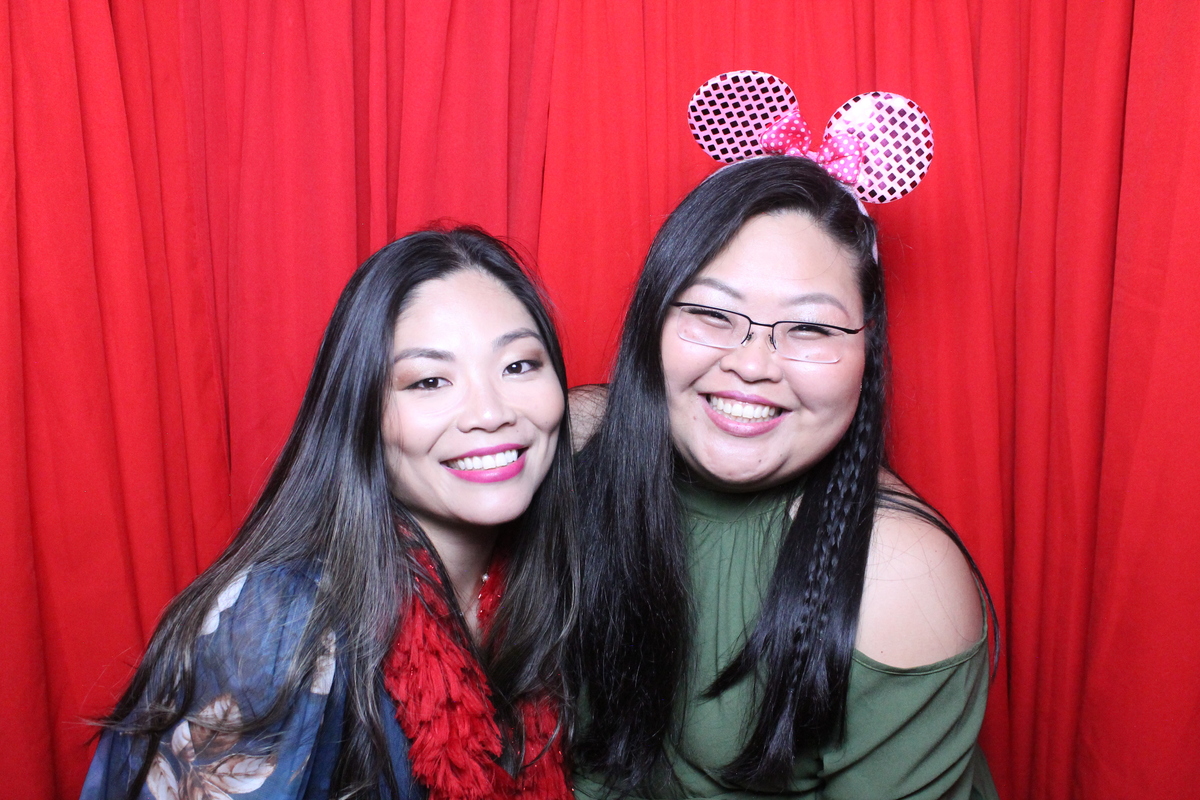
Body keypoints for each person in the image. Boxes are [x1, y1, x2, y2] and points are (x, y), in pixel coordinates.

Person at [82, 227, 578, 800]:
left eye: (519, 366)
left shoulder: (540, 582)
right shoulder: (280, 626)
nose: (490, 413)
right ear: (359, 412)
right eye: (429, 381)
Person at [571, 156, 998, 799]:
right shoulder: (572, 447)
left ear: (866, 348)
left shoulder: (901, 577)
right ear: (653, 316)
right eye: (713, 313)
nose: (752, 365)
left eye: (810, 328)